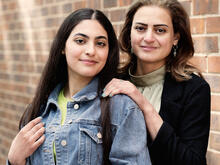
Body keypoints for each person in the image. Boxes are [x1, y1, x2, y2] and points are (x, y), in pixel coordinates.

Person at [7, 8, 152, 165]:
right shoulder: (38, 110)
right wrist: (14, 160)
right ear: (63, 47)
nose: (91, 51)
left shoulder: (122, 108)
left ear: (108, 51)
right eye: (80, 41)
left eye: (100, 43)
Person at [102, 0, 211, 165]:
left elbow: (192, 161)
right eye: (140, 28)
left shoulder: (194, 89)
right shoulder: (111, 81)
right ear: (129, 33)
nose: (148, 38)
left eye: (160, 30)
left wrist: (143, 103)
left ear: (175, 37)